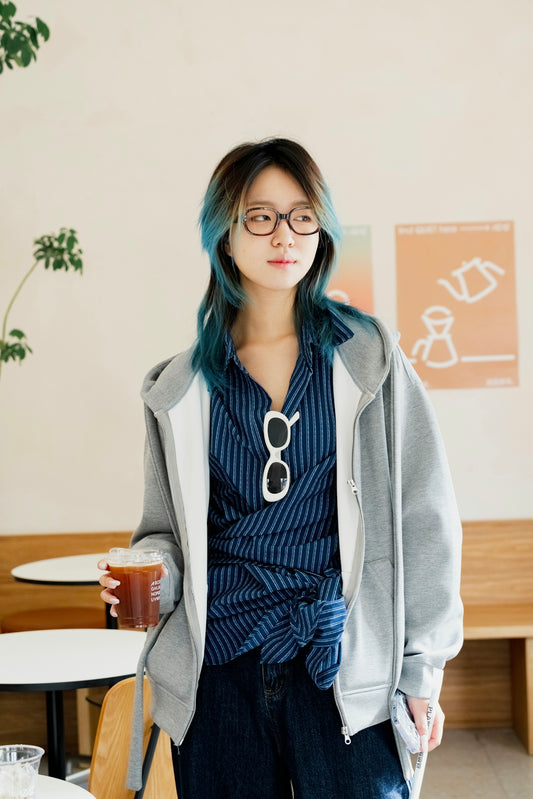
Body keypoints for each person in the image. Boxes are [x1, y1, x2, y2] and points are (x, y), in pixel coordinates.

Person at [99, 137, 463, 799]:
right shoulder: (179, 388)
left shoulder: (370, 359)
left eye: (302, 216)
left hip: (342, 662)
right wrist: (154, 576)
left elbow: (426, 516)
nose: (284, 234)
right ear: (224, 232)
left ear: (321, 230)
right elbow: (163, 535)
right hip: (220, 669)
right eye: (260, 216)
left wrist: (421, 670)